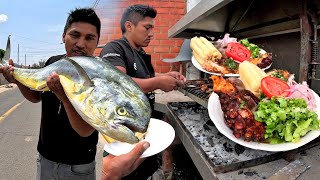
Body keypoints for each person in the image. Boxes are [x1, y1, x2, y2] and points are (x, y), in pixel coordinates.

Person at [1, 8, 101, 180]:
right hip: (45, 159)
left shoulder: (99, 76)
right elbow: (35, 96)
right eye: (75, 35)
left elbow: (85, 130)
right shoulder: (52, 63)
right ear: (63, 36)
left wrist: (62, 96)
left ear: (97, 41)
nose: (81, 44)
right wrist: (16, 79)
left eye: (89, 38)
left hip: (78, 167)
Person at [100, 4, 186, 179]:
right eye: (147, 27)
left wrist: (166, 75)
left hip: (145, 130)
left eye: (152, 28)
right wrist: (157, 82)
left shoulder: (140, 53)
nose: (152, 33)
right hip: (124, 138)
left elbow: (146, 77)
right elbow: (118, 83)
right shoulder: (114, 48)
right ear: (129, 26)